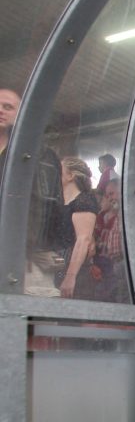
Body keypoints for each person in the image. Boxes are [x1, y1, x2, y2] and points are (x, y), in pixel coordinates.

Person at [0, 88, 63, 295]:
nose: (1, 110)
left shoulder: (40, 155)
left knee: (26, 311)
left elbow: (49, 208)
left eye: (7, 107)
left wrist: (33, 247)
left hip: (25, 259)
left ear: (20, 115)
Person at [57, 157, 99, 299]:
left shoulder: (83, 201)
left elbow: (83, 239)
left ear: (70, 176)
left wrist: (70, 276)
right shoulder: (60, 201)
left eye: (60, 170)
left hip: (71, 266)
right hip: (57, 262)